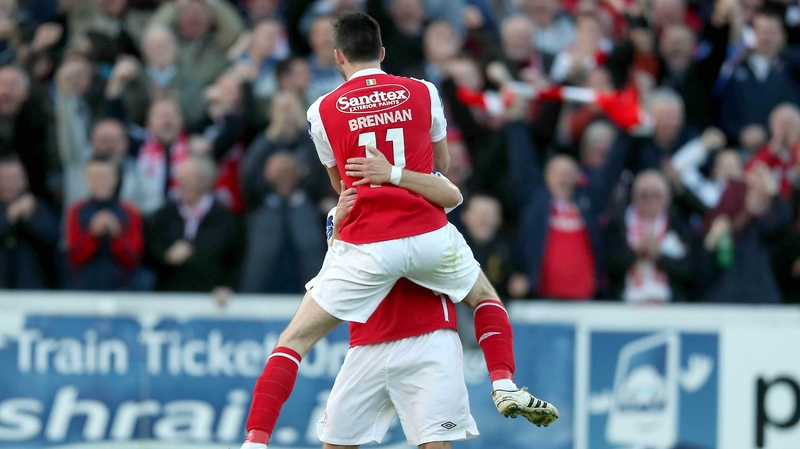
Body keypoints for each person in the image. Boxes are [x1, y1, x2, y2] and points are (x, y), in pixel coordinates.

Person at [240, 12, 557, 449]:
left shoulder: (322, 110)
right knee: (484, 297)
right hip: (428, 237)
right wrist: (402, 172)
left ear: (337, 58)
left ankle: (255, 442)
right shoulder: (424, 91)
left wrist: (365, 186)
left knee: (293, 341)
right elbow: (443, 170)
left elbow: (341, 183)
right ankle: (503, 381)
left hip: (368, 245)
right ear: (383, 52)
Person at [65, 156, 144, 290]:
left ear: (116, 178)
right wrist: (92, 234)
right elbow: (73, 258)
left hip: (122, 284)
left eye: (105, 177)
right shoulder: (76, 210)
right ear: (87, 179)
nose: (100, 182)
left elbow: (133, 260)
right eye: (95, 177)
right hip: (84, 283)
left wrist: (117, 235)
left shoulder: (130, 211)